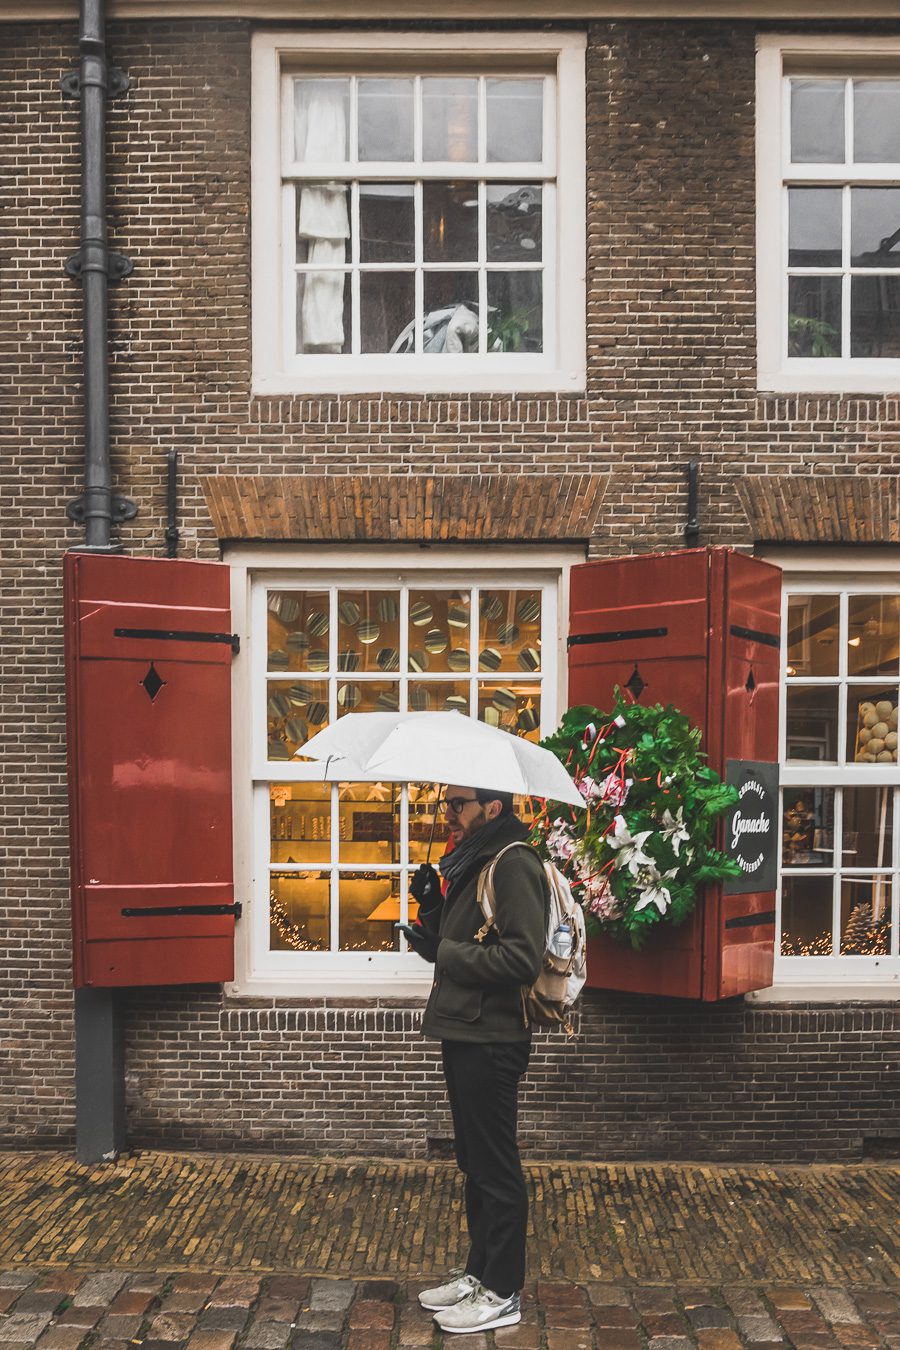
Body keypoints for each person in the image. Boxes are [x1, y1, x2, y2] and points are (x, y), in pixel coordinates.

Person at [397, 785, 549, 1335]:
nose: (448, 814)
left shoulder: (513, 863)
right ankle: (480, 1272)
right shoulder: (473, 861)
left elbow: (521, 957)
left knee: (495, 1165)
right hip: (465, 1029)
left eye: (457, 803)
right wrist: (433, 913)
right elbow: (470, 939)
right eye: (445, 804)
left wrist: (445, 951)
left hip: (493, 1036)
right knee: (473, 1160)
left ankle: (503, 1290)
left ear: (493, 807)